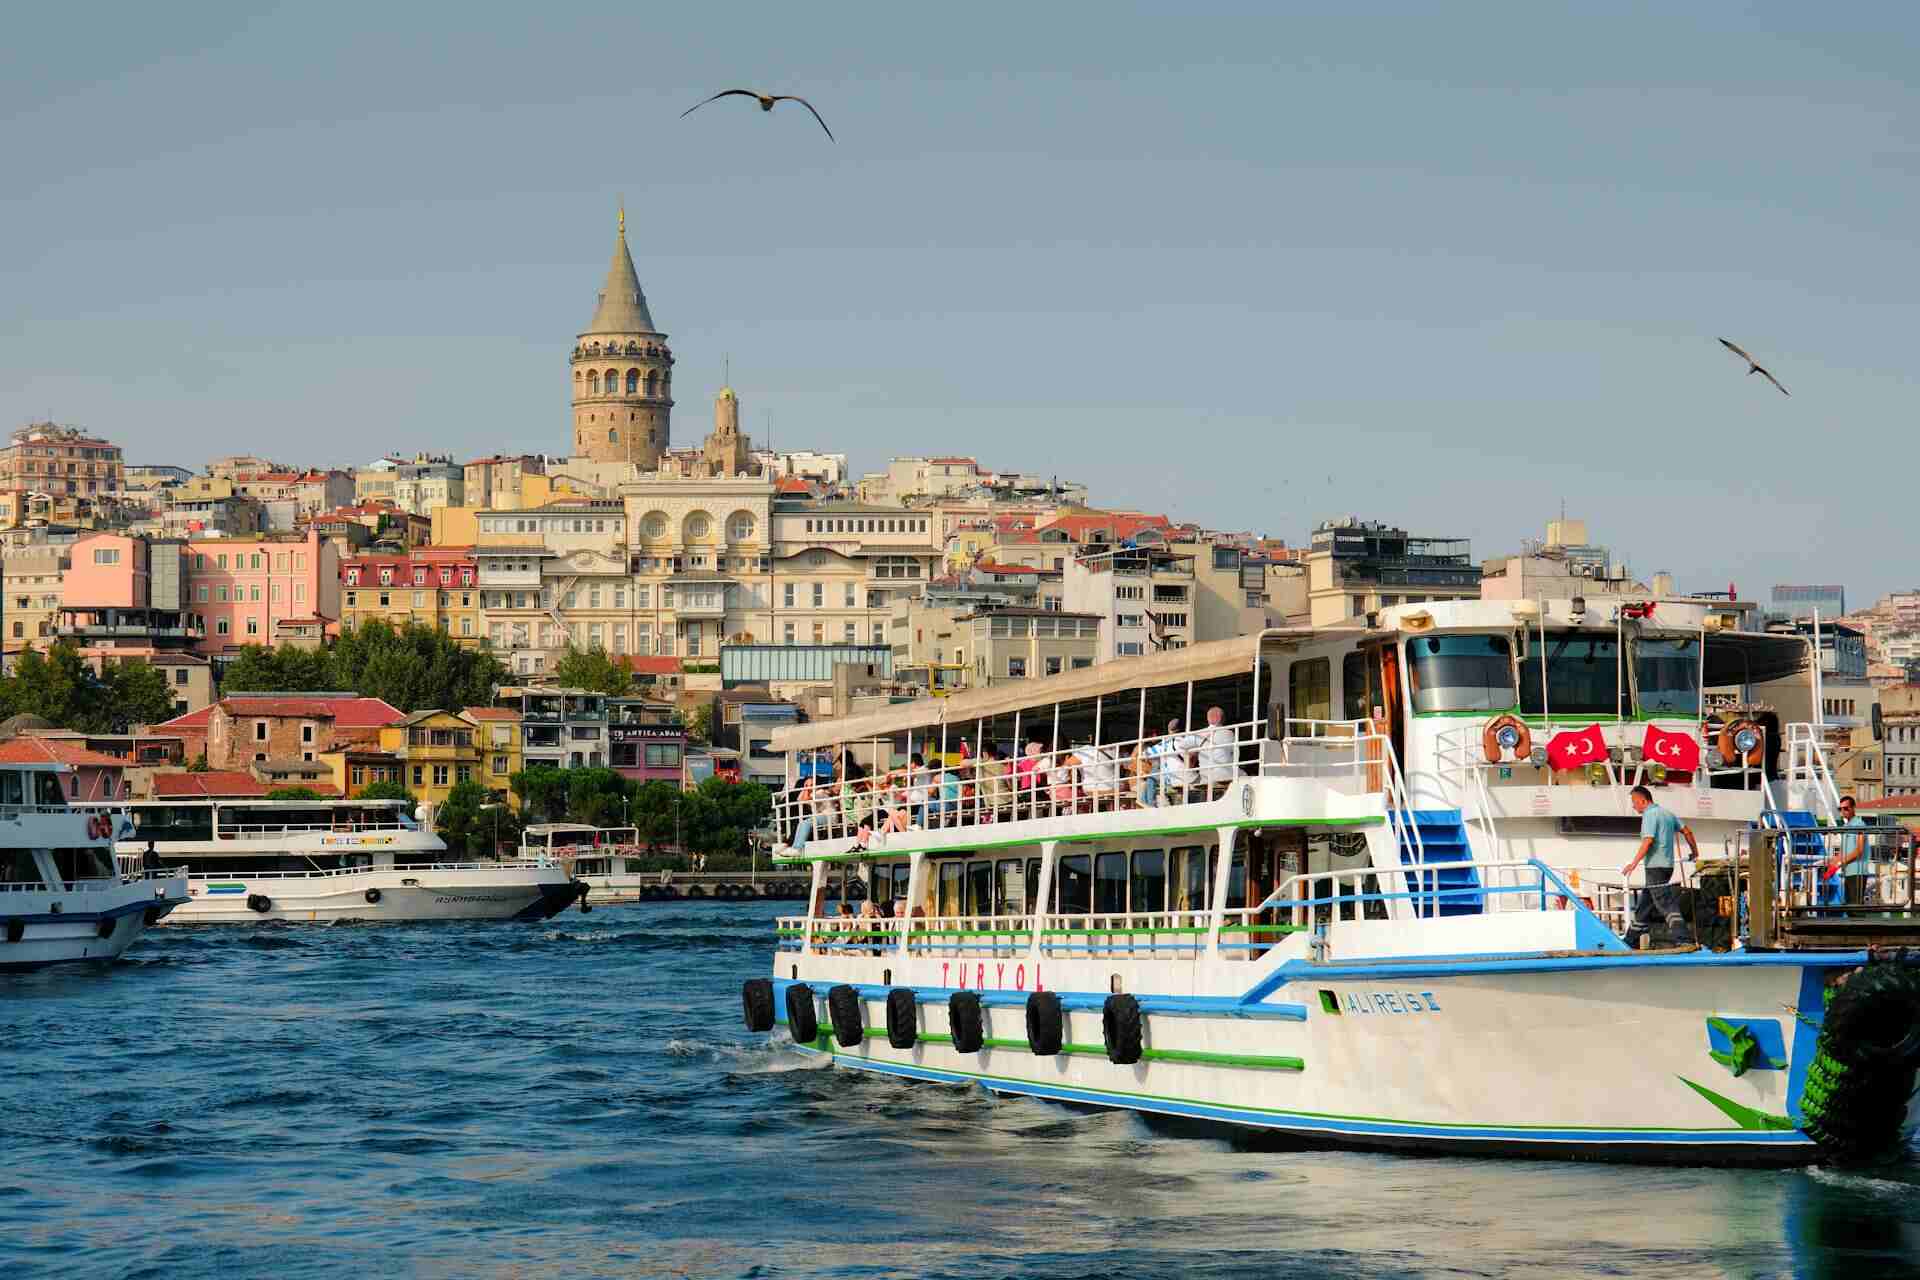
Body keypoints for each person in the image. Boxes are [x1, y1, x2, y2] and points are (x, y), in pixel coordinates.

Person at [1621, 785, 1699, 949]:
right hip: (1667, 866)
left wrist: (1633, 864)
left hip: (1655, 867)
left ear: (1643, 801)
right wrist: (1695, 852)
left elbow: (1648, 841)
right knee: (1645, 904)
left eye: (1634, 802)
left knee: (1665, 903)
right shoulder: (1667, 814)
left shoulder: (1649, 815)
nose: (1633, 806)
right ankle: (1630, 940)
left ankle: (1684, 939)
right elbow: (1688, 832)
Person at [1820, 795, 1872, 907]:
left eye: (1846, 808)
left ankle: (1863, 925)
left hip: (1858, 872)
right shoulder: (1847, 826)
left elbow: (1859, 850)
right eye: (1841, 809)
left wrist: (1839, 863)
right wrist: (1830, 865)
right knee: (1849, 906)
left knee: (1855, 908)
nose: (1843, 811)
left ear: (1853, 808)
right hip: (1849, 872)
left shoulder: (1859, 824)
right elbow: (1843, 852)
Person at [1198, 705, 1237, 797]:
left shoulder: (1198, 734)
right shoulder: (1230, 733)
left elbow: (1184, 750)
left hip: (1205, 777)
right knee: (1246, 775)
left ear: (1208, 718)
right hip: (1225, 776)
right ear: (1221, 718)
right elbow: (1235, 755)